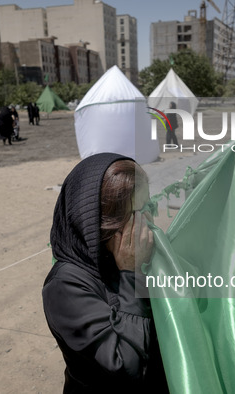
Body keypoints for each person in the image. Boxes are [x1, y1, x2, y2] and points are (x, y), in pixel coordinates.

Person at [43, 153, 168, 393]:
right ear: (93, 224)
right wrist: (131, 276)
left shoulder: (137, 257)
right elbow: (126, 369)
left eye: (148, 207)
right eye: (133, 217)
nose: (147, 224)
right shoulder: (65, 287)